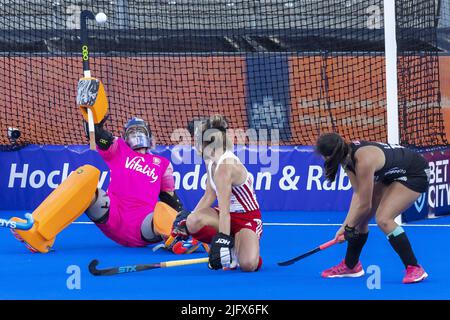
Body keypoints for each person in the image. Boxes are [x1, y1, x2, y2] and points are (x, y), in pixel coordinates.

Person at [13, 115, 200, 253]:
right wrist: (94, 120)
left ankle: (178, 241)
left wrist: (193, 225)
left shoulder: (162, 164)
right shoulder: (119, 148)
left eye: (140, 130)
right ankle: (36, 231)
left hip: (144, 225)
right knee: (86, 173)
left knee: (163, 209)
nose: (136, 133)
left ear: (149, 136)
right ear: (125, 137)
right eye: (131, 131)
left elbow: (171, 199)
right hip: (113, 215)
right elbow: (98, 136)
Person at [316, 132, 429, 284]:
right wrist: (345, 226)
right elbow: (358, 195)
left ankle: (414, 267)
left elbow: (365, 204)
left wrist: (349, 228)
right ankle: (351, 266)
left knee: (383, 219)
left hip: (415, 173)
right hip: (391, 174)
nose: (322, 159)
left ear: (330, 155)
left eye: (322, 155)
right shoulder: (346, 157)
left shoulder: (363, 161)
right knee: (360, 220)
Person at [171, 115, 263, 271]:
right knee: (192, 221)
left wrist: (222, 241)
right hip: (225, 215)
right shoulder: (211, 162)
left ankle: (240, 246)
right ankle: (234, 244)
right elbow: (209, 195)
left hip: (247, 218)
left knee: (248, 265)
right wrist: (186, 223)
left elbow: (225, 211)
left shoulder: (225, 167)